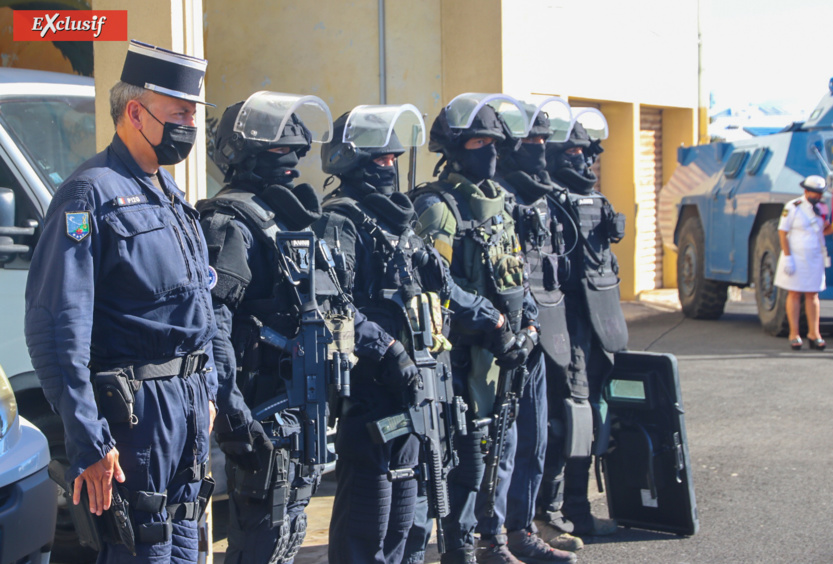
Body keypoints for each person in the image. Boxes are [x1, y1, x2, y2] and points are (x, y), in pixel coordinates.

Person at [24, 40, 216, 564]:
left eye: (193, 114)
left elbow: (199, 312)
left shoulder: (170, 194)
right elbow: (56, 327)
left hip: (186, 412)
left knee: (183, 549)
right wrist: (89, 438)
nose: (190, 126)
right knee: (141, 552)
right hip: (135, 418)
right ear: (135, 112)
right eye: (179, 113)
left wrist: (210, 392)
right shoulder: (89, 196)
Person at [198, 94, 391, 564]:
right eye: (276, 151)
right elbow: (212, 326)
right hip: (261, 407)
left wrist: (372, 353)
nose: (289, 162)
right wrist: (232, 410)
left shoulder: (288, 222)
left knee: (290, 528)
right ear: (242, 155)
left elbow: (330, 305)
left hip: (302, 405)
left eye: (293, 151)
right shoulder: (230, 223)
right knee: (262, 535)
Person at [316, 106, 507, 564]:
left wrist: (495, 319)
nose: (390, 167)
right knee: (368, 517)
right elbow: (330, 311)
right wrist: (386, 350)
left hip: (416, 389)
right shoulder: (339, 221)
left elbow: (444, 286)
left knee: (404, 518)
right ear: (352, 161)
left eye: (393, 159)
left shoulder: (396, 222)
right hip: (370, 392)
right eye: (380, 159)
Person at [411, 95, 576, 564]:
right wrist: (491, 324)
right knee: (476, 457)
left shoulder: (501, 204)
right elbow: (434, 286)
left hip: (516, 347)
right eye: (478, 142)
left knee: (523, 444)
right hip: (470, 353)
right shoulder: (437, 207)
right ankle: (481, 543)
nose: (490, 152)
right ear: (453, 149)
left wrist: (529, 325)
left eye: (494, 143)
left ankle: (514, 531)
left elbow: (516, 271)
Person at [493, 107, 584, 554]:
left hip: (544, 323)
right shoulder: (499, 196)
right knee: (504, 441)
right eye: (531, 142)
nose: (541, 149)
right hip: (505, 334)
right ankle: (493, 535)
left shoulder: (542, 196)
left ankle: (526, 525)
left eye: (544, 141)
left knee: (540, 434)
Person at [536, 121, 627, 541]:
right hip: (564, 324)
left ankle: (574, 508)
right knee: (567, 418)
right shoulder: (544, 201)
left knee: (591, 414)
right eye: (572, 152)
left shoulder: (592, 199)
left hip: (598, 322)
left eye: (585, 152)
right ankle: (557, 512)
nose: (583, 161)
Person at [774, 175, 833, 350]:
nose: (818, 196)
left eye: (820, 193)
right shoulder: (792, 207)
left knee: (813, 295)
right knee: (794, 294)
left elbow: (824, 230)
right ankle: (794, 334)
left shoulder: (822, 208)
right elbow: (782, 232)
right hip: (796, 256)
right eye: (814, 192)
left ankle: (814, 334)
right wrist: (788, 257)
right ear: (806, 191)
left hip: (814, 256)